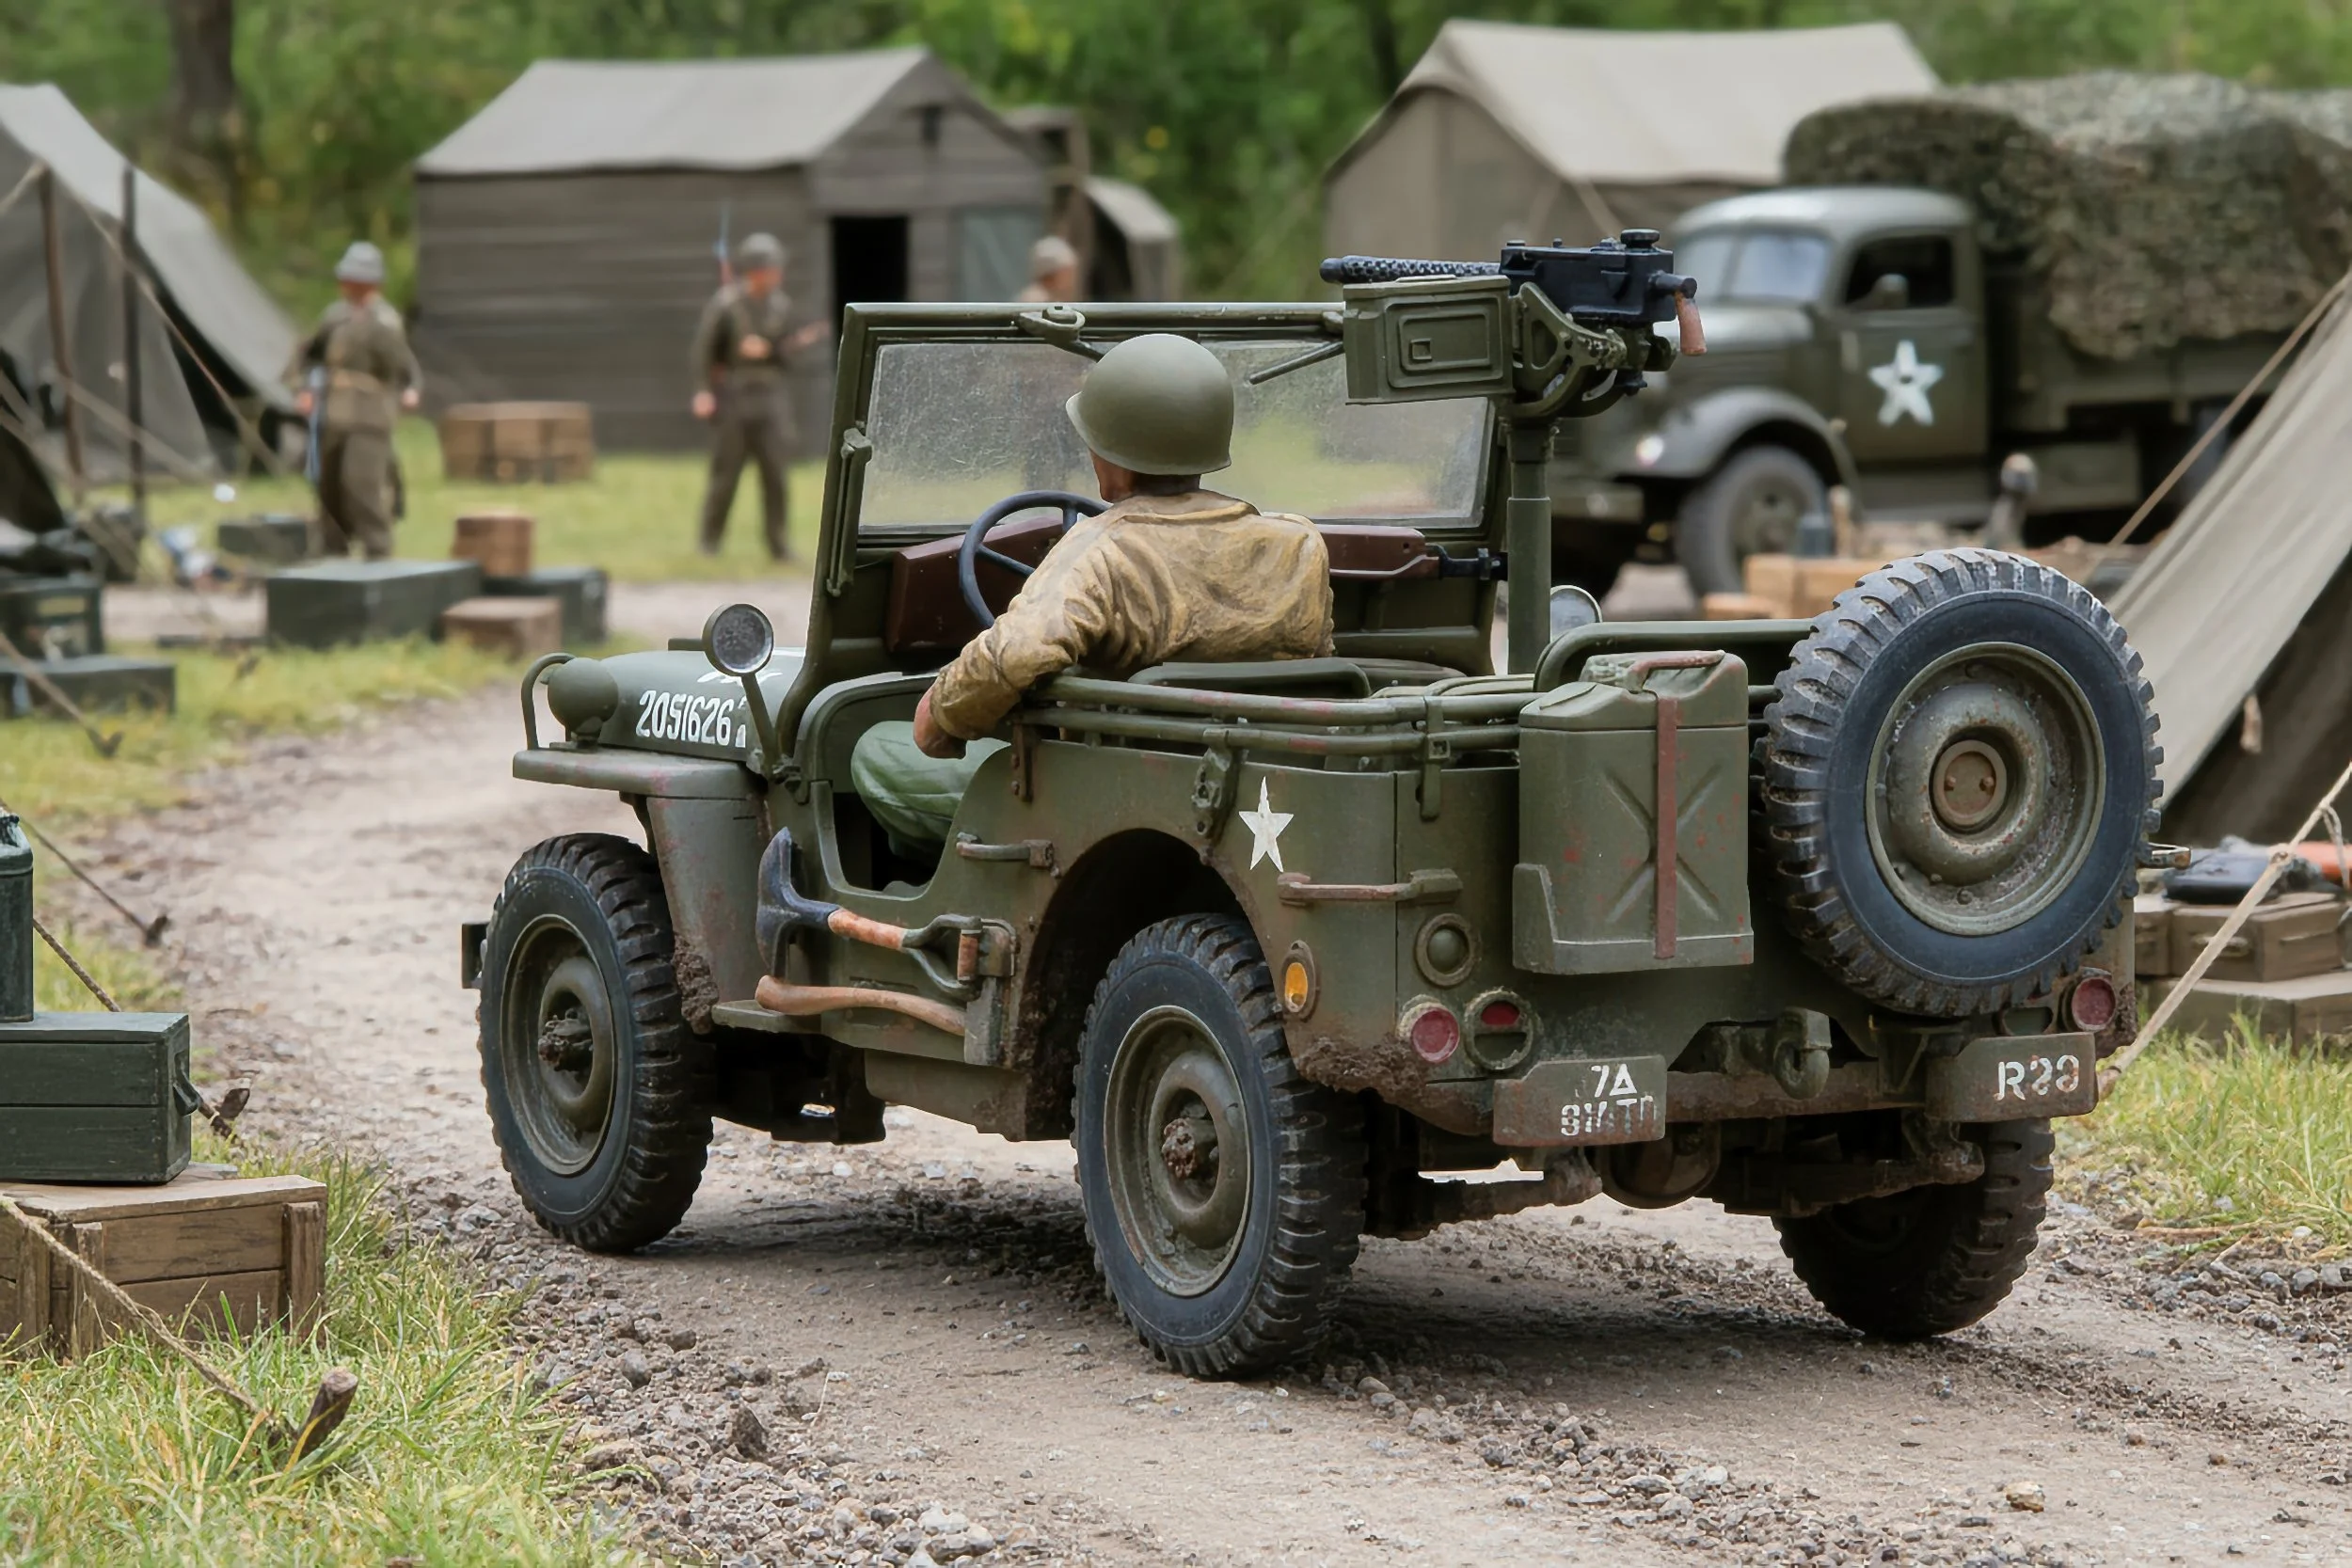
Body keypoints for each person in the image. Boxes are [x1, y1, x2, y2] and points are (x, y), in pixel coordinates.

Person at [849, 333, 1334, 853]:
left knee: (877, 750)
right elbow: (1317, 661)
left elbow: (1014, 653)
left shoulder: (1099, 549)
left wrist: (939, 718)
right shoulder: (1297, 544)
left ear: (1114, 462)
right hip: (1268, 786)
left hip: (1112, 800)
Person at [692, 233, 827, 561]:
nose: (775, 275)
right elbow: (705, 351)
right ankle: (709, 541)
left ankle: (778, 544)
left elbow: (789, 355)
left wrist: (772, 350)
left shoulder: (781, 307)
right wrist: (703, 391)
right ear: (754, 271)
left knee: (776, 475)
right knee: (725, 473)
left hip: (771, 398)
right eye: (769, 269)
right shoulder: (726, 304)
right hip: (735, 397)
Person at [285, 241, 420, 560]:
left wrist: (409, 389)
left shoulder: (384, 322)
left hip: (370, 416)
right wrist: (305, 389)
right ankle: (332, 552)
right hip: (334, 413)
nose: (347, 284)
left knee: (362, 485)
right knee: (328, 487)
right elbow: (310, 356)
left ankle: (378, 551)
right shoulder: (335, 317)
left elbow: (403, 366)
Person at [1018, 234, 1081, 304]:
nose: (1072, 280)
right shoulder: (1035, 301)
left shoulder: (1054, 298)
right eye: (1067, 273)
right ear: (1050, 275)